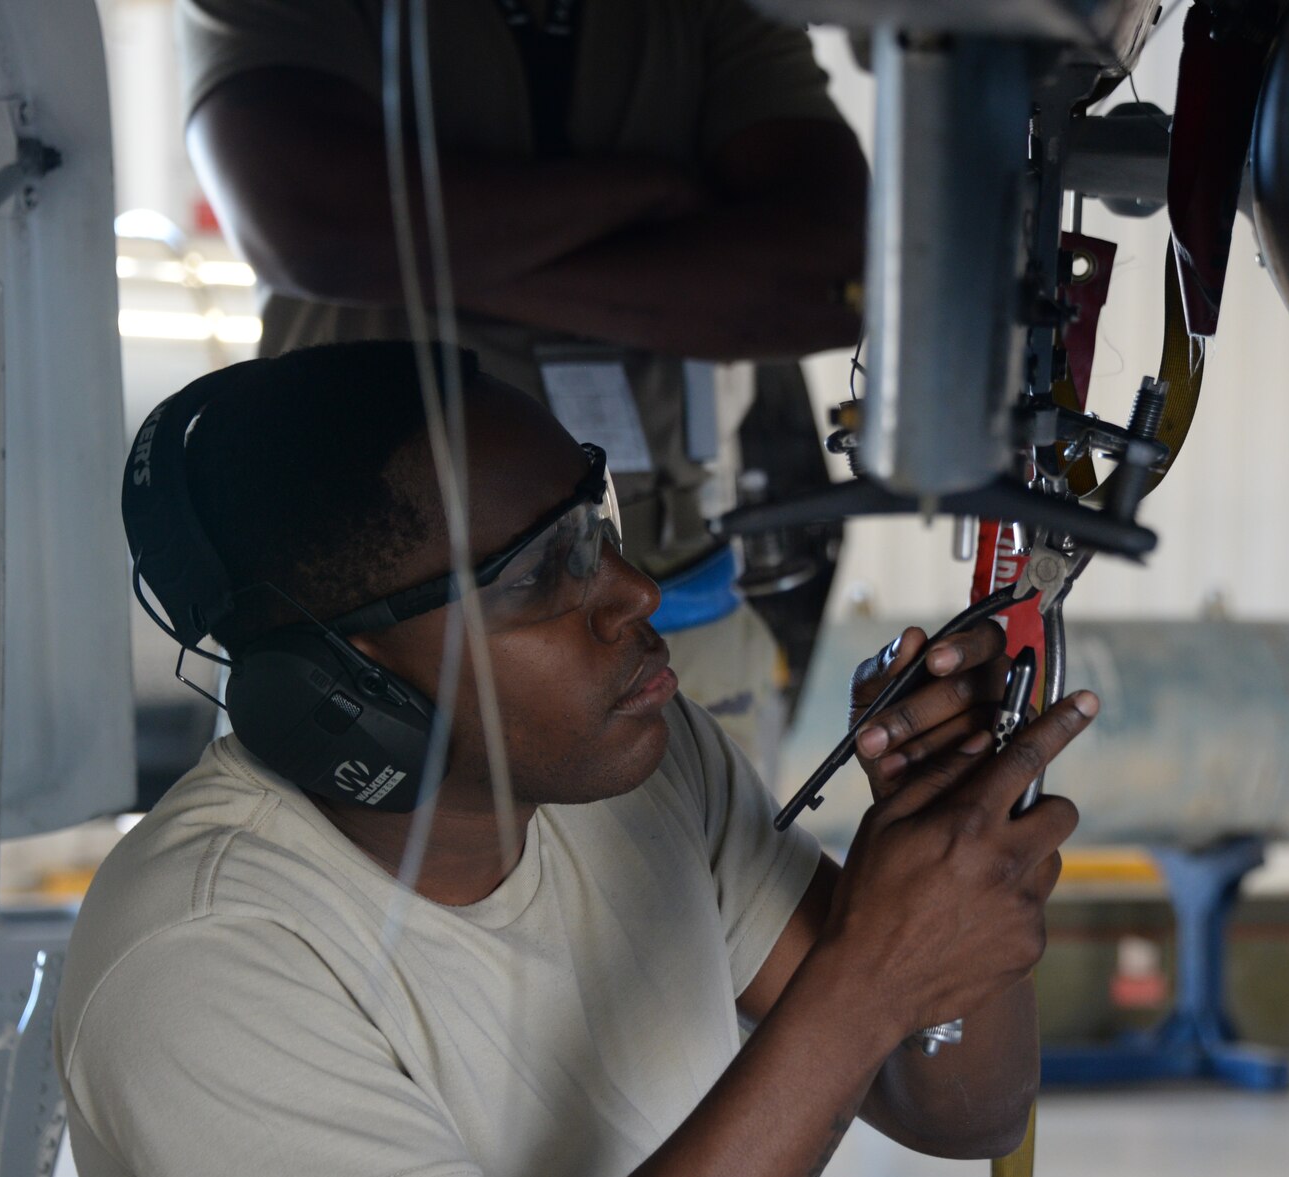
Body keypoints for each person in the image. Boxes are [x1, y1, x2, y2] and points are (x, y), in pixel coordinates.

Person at [61, 343, 1099, 1177]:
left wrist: (941, 837)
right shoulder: (207, 951)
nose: (633, 591)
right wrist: (865, 976)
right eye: (539, 574)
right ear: (338, 686)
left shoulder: (641, 767)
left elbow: (962, 1109)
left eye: (592, 524)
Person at [176, 0, 869, 775]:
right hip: (393, 628)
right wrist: (650, 196)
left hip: (675, 592)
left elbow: (835, 276)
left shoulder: (711, 13)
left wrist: (424, 260)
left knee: (704, 886)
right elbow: (312, 224)